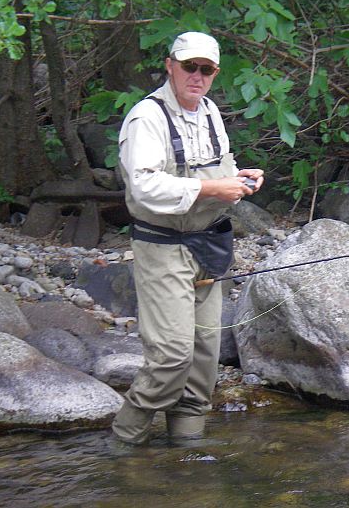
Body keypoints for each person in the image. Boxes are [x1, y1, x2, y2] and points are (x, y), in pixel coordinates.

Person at [111, 31, 264, 444]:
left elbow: (215, 170)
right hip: (162, 246)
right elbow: (143, 187)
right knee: (171, 357)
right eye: (188, 66)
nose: (196, 76)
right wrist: (212, 190)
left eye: (206, 69)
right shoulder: (147, 118)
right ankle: (124, 444)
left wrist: (239, 179)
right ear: (170, 66)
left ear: (215, 74)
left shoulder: (211, 112)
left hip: (209, 246)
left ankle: (187, 455)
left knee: (202, 361)